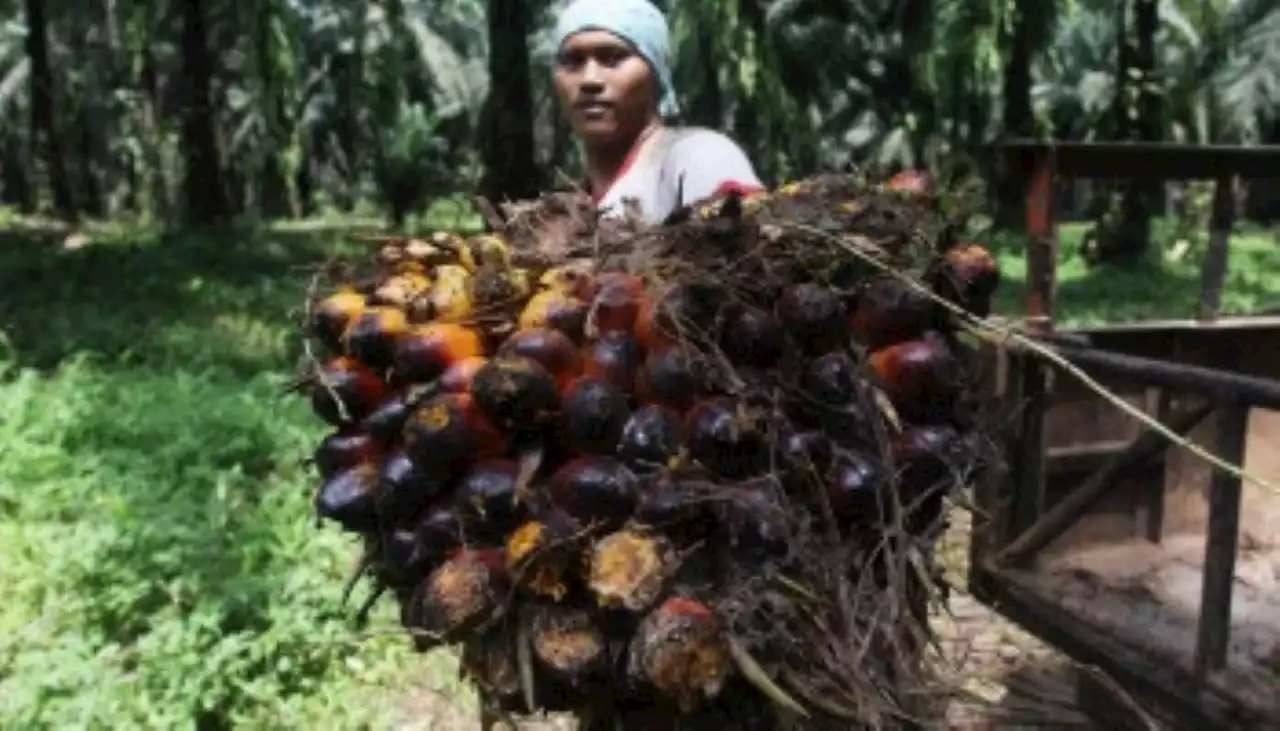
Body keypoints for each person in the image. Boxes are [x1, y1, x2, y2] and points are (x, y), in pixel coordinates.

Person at [551, 0, 765, 224]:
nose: (589, 80)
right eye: (572, 61)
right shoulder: (568, 209)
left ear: (656, 73)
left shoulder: (699, 158)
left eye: (613, 58)